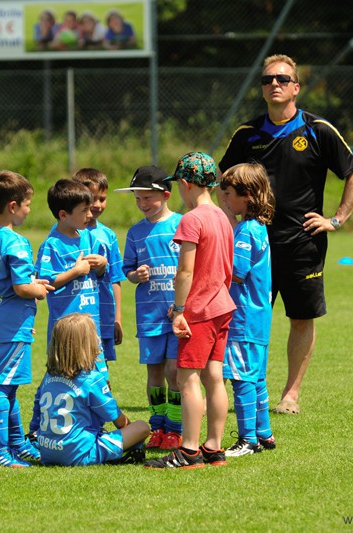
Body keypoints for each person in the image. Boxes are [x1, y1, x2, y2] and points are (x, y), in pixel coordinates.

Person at [218, 54, 353, 415]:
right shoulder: (247, 134)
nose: (275, 84)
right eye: (268, 79)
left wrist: (336, 219)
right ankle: (226, 390)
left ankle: (291, 394)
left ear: (296, 87)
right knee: (239, 317)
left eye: (283, 79)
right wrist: (230, 223)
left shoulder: (318, 130)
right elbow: (221, 182)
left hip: (302, 243)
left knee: (301, 317)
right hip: (253, 246)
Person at [144, 152, 235, 470]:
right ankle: (214, 448)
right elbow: (226, 267)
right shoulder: (223, 217)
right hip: (222, 305)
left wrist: (180, 309)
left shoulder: (192, 219)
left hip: (199, 309)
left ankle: (190, 450)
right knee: (214, 376)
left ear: (184, 183)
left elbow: (184, 271)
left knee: (187, 379)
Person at [0, 170, 54, 468]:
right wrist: (39, 288)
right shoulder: (16, 241)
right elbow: (22, 287)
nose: (29, 209)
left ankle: (15, 444)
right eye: (27, 204)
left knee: (7, 384)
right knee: (1, 385)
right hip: (11, 323)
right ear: (13, 206)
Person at [28, 179, 108, 439]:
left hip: (90, 324)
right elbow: (46, 281)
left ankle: (94, 428)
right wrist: (76, 271)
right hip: (66, 328)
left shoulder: (87, 236)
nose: (90, 214)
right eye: (84, 210)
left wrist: (101, 264)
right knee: (58, 377)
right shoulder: (52, 245)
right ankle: (36, 429)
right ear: (63, 215)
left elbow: (98, 274)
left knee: (96, 377)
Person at [116, 166, 183, 451]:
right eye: (138, 199)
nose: (143, 205)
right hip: (149, 316)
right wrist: (135, 276)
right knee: (154, 373)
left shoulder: (183, 224)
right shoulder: (135, 232)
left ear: (166, 195)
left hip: (178, 315)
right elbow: (127, 270)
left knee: (174, 372)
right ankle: (158, 427)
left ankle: (176, 428)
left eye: (148, 198)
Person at [35, 313, 151, 466]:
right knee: (142, 427)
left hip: (47, 451)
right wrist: (132, 434)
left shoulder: (49, 375)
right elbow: (118, 420)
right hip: (79, 454)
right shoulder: (91, 379)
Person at [219, 162, 277, 456]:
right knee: (257, 376)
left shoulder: (245, 232)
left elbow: (237, 272)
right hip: (259, 317)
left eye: (228, 193)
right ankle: (264, 434)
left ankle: (247, 439)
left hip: (242, 317)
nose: (224, 199)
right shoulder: (258, 228)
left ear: (248, 195)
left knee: (241, 377)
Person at [72, 168, 126, 382]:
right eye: (92, 199)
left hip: (102, 315)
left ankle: (100, 411)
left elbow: (115, 278)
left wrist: (117, 319)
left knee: (101, 369)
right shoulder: (69, 232)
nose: (97, 204)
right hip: (76, 314)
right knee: (74, 364)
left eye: (102, 199)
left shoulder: (108, 235)